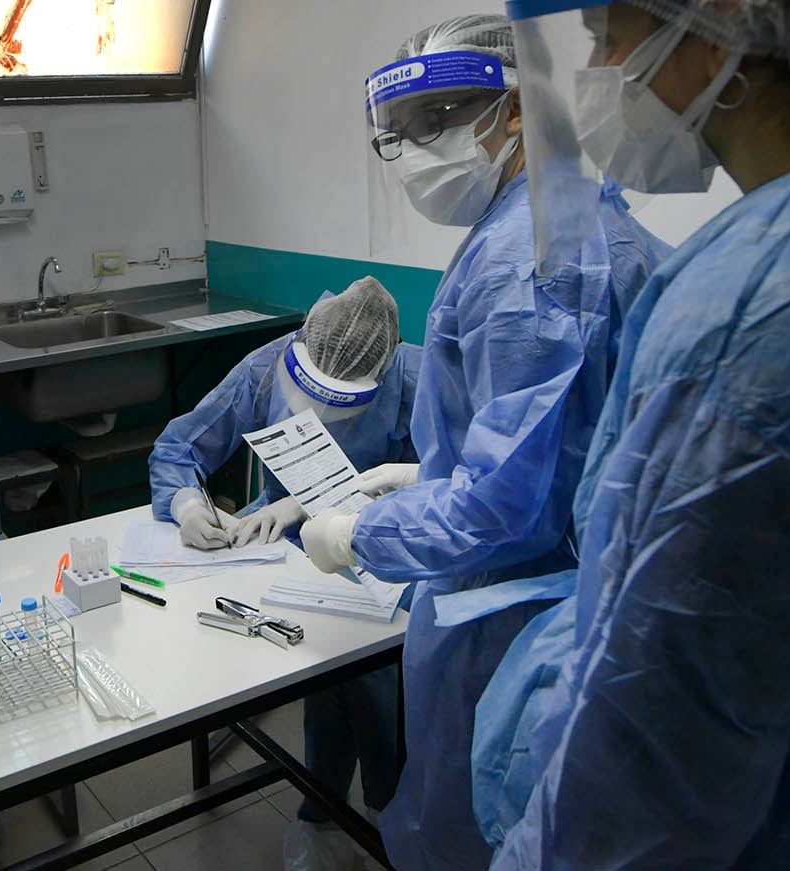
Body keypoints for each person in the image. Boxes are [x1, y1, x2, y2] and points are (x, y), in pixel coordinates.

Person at [459, 1, 790, 866]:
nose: (599, 66)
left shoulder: (756, 324)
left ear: (716, 27)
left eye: (608, 35)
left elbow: (645, 776)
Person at [298, 15, 671, 868]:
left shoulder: (529, 261)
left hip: (518, 617)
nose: (418, 145)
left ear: (514, 113)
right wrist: (427, 471)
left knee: (479, 827)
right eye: (403, 129)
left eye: (439, 117)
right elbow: (557, 439)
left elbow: (512, 504)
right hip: (566, 595)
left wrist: (360, 531)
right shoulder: (564, 222)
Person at [149, 276, 422, 869]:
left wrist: (339, 503)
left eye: (345, 405)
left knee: (368, 673)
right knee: (317, 681)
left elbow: (455, 487)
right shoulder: (266, 364)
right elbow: (179, 448)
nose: (324, 415)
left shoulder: (422, 382)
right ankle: (323, 813)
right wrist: (187, 504)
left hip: (383, 558)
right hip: (276, 545)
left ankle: (384, 814)